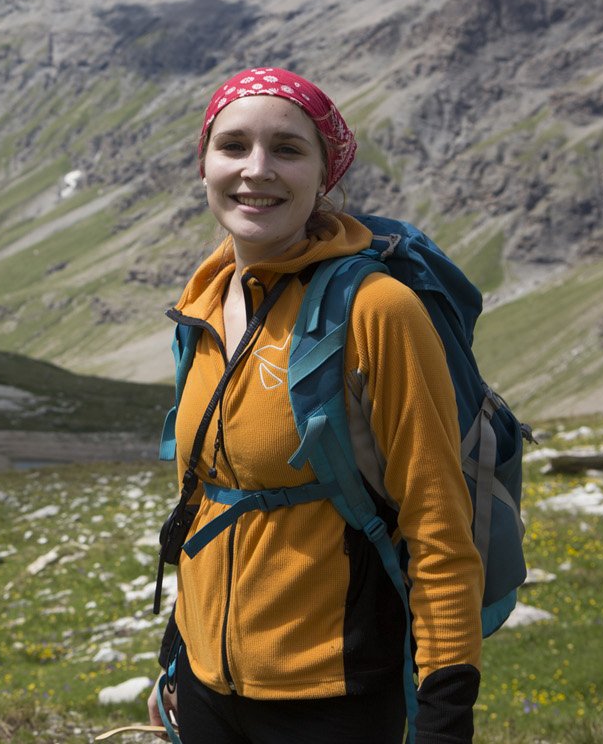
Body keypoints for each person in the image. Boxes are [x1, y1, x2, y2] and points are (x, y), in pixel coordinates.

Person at [145, 67, 484, 744]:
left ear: (325, 174)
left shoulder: (377, 310)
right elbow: (210, 494)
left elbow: (438, 521)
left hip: (333, 695)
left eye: (289, 150)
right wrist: (177, 660)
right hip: (207, 686)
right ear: (204, 163)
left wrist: (446, 711)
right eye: (233, 146)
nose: (256, 170)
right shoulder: (204, 300)